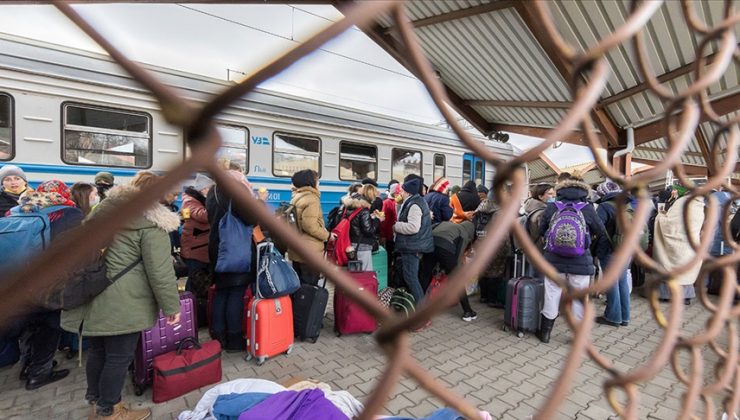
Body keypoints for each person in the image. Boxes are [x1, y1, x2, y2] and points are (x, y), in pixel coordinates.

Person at [61, 171, 180, 419]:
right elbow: (160, 272)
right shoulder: (151, 222)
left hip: (93, 292)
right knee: (119, 356)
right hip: (124, 300)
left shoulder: (103, 210)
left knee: (98, 352)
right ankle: (110, 409)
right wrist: (172, 307)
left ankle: (95, 401)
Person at [12, 180, 83, 391]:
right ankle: (39, 373)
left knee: (29, 323)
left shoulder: (19, 210)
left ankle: (27, 366)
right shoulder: (70, 213)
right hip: (52, 280)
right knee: (50, 325)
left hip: (20, 277)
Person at [537, 177, 609, 343]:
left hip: (553, 261)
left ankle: (545, 334)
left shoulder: (552, 206)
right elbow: (601, 231)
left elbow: (542, 230)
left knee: (552, 294)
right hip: (581, 262)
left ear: (559, 191)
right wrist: (587, 242)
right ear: (584, 192)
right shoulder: (588, 208)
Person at [206, 169, 257, 350]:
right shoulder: (236, 191)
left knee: (221, 292)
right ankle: (234, 339)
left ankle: (217, 337)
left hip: (217, 247)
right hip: (235, 250)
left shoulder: (213, 191)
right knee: (235, 293)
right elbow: (252, 218)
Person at [653, 183, 704, 305]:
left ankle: (667, 295)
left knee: (670, 267)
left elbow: (670, 224)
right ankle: (685, 296)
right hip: (691, 245)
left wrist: (660, 217)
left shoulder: (682, 202)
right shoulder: (699, 205)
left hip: (677, 243)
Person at [419, 221, 478, 321]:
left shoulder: (447, 223)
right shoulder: (464, 233)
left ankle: (418, 305)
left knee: (425, 276)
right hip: (444, 249)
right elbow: (457, 257)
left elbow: (432, 228)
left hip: (429, 245)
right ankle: (467, 311)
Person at [393, 175, 434, 313]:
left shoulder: (414, 205)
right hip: (412, 245)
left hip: (412, 246)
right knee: (411, 277)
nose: (400, 193)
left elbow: (413, 227)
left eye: (402, 191)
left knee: (411, 278)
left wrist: (396, 226)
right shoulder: (413, 202)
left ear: (408, 192)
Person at [594, 180, 631, 327]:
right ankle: (625, 316)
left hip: (610, 249)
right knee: (622, 282)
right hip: (627, 249)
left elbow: (597, 227)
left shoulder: (604, 206)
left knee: (611, 282)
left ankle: (613, 317)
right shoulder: (626, 203)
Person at [288, 169, 333, 286]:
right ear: (310, 182)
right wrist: (328, 236)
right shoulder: (312, 199)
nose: (319, 183)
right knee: (309, 288)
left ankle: (297, 305)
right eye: (317, 180)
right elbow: (310, 226)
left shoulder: (297, 196)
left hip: (298, 249)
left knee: (299, 286)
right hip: (310, 251)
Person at [474, 190, 513, 308]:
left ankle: (483, 296)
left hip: (480, 243)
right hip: (495, 246)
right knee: (495, 272)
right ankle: (492, 299)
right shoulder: (500, 213)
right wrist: (508, 250)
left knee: (483, 270)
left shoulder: (479, 209)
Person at [181, 174, 214, 287]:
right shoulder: (190, 201)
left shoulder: (199, 200)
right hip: (195, 250)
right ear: (204, 189)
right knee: (195, 280)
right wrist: (212, 201)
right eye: (211, 189)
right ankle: (191, 302)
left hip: (201, 248)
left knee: (202, 281)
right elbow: (203, 216)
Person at [340, 183, 382, 271]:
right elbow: (369, 230)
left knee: (355, 272)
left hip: (351, 243)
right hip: (362, 245)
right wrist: (377, 219)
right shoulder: (364, 210)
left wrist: (371, 217)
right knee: (365, 273)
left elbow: (357, 223)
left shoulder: (352, 205)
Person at [521, 183, 555, 251]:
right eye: (550, 194)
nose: (553, 196)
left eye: (553, 194)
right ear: (540, 196)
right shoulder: (542, 213)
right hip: (540, 251)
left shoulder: (529, 209)